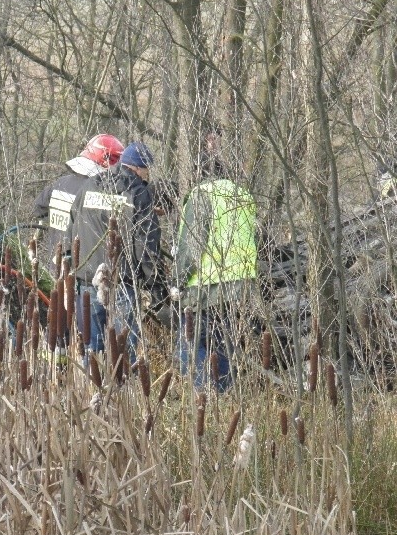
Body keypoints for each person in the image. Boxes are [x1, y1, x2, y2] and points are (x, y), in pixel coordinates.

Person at [171, 144, 258, 392]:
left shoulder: (202, 195)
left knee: (192, 344)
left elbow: (192, 247)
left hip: (206, 288)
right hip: (241, 288)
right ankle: (224, 398)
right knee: (223, 347)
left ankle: (203, 401)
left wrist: (176, 281)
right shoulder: (242, 195)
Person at [68, 142, 160, 370]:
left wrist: (73, 263)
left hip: (86, 280)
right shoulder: (138, 193)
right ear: (140, 168)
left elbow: (72, 227)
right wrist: (155, 284)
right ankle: (119, 393)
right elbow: (145, 245)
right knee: (122, 351)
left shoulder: (89, 185)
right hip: (122, 283)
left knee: (91, 348)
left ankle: (92, 393)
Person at [32, 134, 125, 275]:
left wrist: (57, 226)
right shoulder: (99, 193)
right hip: (85, 271)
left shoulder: (59, 183)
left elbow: (38, 209)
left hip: (56, 265)